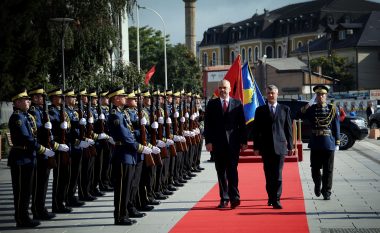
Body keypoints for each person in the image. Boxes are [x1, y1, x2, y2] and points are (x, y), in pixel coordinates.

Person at [8, 89, 55, 227]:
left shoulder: (25, 116)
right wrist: (42, 149)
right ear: (17, 102)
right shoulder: (17, 117)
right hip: (21, 158)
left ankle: (24, 217)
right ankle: (21, 219)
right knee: (22, 191)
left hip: (28, 157)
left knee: (27, 191)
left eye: (28, 99)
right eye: (25, 99)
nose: (28, 101)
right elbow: (26, 138)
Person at [204, 79, 248, 209]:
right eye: (220, 88)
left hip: (233, 144)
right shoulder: (212, 104)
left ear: (229, 89)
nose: (222, 90)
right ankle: (224, 198)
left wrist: (244, 141)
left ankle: (235, 197)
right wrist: (208, 142)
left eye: (225, 88)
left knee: (232, 171)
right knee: (221, 172)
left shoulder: (237, 103)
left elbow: (242, 124)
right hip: (218, 144)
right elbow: (208, 125)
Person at [252, 85, 293, 209]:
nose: (271, 95)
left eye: (273, 93)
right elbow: (256, 130)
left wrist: (290, 146)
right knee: (269, 174)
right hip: (266, 147)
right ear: (266, 94)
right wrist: (256, 147)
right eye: (269, 93)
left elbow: (288, 129)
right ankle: (270, 197)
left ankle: (277, 199)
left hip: (280, 147)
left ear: (277, 94)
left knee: (278, 174)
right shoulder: (260, 110)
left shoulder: (285, 109)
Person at [298, 85, 340, 200]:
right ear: (315, 96)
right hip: (316, 142)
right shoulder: (311, 108)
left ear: (326, 96)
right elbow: (299, 114)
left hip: (328, 142)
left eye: (322, 94)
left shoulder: (332, 108)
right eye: (318, 94)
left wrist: (337, 142)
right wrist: (308, 104)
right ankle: (317, 183)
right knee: (315, 168)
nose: (320, 96)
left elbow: (336, 126)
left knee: (328, 169)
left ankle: (327, 191)